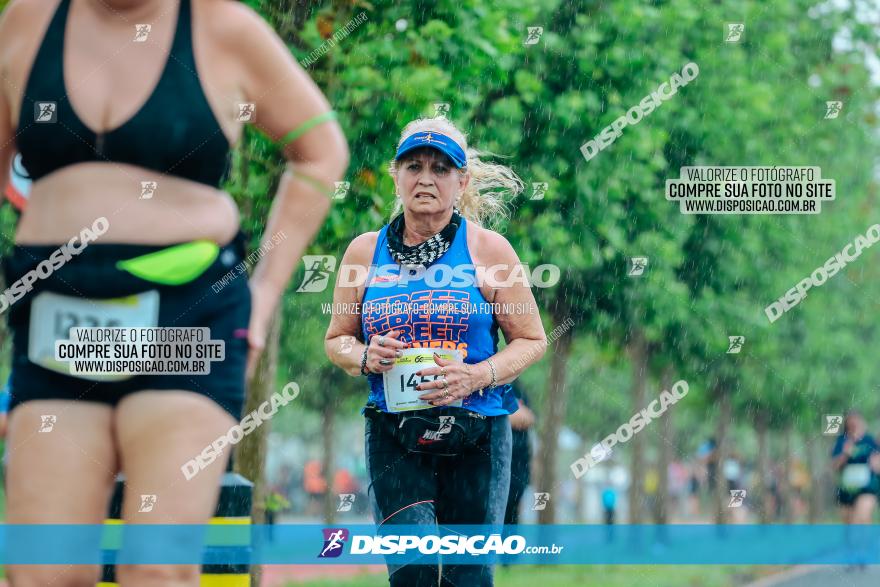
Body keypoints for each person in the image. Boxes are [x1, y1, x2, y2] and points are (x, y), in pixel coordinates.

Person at [0, 0, 348, 585]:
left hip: (188, 316)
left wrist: (264, 293)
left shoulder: (224, 27)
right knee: (43, 572)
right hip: (55, 312)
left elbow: (320, 150)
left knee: (157, 568)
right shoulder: (25, 21)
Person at [324, 116, 546, 586]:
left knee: (468, 576)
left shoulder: (490, 250)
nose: (426, 178)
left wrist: (477, 374)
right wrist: (365, 356)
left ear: (461, 182)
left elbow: (532, 339)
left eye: (441, 168)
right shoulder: (364, 252)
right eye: (414, 165)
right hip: (395, 433)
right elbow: (337, 340)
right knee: (415, 573)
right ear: (396, 175)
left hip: (479, 434)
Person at [831, 410, 880, 525]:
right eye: (850, 421)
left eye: (856, 421)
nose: (854, 424)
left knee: (861, 518)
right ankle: (856, 542)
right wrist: (845, 454)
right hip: (846, 489)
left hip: (868, 487)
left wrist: (876, 463)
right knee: (849, 525)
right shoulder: (841, 441)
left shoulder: (870, 440)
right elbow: (834, 466)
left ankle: (866, 542)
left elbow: (877, 463)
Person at [503, 381, 535, 527]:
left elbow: (527, 417)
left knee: (510, 520)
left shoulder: (515, 385)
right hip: (488, 466)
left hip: (516, 468)